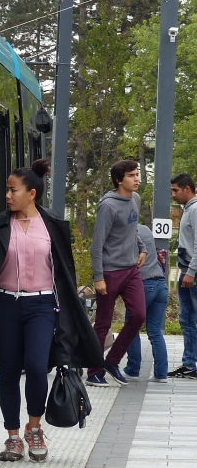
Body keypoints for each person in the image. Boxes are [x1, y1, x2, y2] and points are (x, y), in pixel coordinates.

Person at [0, 160, 104, 463]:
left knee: (35, 366)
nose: (7, 195)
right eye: (7, 190)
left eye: (12, 189)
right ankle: (13, 437)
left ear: (31, 193)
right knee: (8, 371)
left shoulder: (53, 226)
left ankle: (35, 429)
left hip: (42, 306)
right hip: (5, 305)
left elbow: (64, 272)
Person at [86, 160, 147, 387]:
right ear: (119, 180)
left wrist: (142, 248)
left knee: (139, 315)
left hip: (131, 270)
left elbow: (132, 230)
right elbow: (97, 245)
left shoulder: (136, 199)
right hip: (110, 272)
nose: (137, 178)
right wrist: (98, 277)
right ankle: (94, 371)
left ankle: (112, 361)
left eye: (137, 174)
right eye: (131, 175)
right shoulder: (108, 206)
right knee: (103, 324)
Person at [124, 221, 169, 382]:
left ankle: (133, 369)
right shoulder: (145, 229)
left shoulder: (127, 230)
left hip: (143, 284)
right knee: (155, 331)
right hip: (160, 284)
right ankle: (161, 374)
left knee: (131, 327)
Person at [170, 173, 197, 378]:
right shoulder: (187, 210)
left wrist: (191, 272)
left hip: (192, 273)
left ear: (187, 189)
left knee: (192, 318)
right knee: (186, 319)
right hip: (186, 271)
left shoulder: (195, 209)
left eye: (176, 190)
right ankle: (189, 363)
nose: (173, 194)